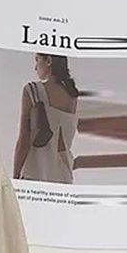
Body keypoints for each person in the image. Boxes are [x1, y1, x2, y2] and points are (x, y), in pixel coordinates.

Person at [13, 52, 80, 183]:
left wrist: (16, 177)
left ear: (49, 61)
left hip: (36, 172)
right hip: (64, 176)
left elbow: (23, 139)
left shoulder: (32, 90)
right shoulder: (73, 98)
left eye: (37, 60)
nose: (35, 67)